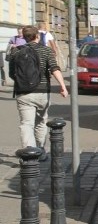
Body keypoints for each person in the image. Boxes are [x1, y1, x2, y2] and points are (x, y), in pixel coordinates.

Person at [8, 25, 69, 158]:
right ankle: (40, 151)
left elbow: (12, 74)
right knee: (41, 122)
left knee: (26, 124)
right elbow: (54, 69)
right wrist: (63, 86)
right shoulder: (46, 50)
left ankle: (28, 153)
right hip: (42, 92)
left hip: (23, 93)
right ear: (37, 36)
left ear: (23, 37)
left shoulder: (16, 52)